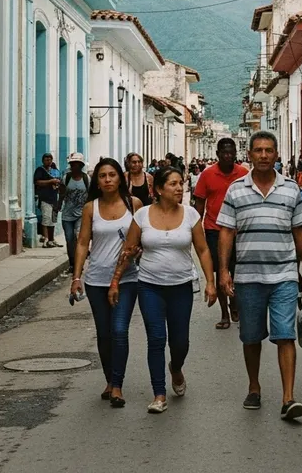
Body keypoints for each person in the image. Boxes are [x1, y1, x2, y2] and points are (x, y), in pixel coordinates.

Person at [218, 130, 302, 421]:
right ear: (249, 155)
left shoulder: (291, 189)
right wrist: (224, 271)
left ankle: (288, 398)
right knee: (251, 337)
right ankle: (254, 386)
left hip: (284, 274)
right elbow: (226, 232)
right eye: (258, 150)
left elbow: (300, 232)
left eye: (268, 150)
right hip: (247, 277)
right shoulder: (236, 189)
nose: (263, 155)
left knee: (285, 336)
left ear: (276, 154)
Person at [110, 165, 217, 414]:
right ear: (158, 189)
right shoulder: (142, 216)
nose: (179, 188)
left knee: (180, 342)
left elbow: (202, 249)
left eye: (181, 183)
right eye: (173, 183)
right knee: (156, 339)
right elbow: (127, 251)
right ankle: (159, 393)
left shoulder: (191, 215)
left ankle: (176, 368)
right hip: (149, 286)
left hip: (181, 287)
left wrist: (210, 282)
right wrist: (115, 281)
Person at [71, 158, 142, 407]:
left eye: (112, 175)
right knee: (104, 333)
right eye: (103, 176)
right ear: (97, 182)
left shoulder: (134, 205)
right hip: (96, 279)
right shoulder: (91, 208)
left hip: (128, 279)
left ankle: (118, 386)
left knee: (119, 330)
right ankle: (109, 380)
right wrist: (77, 276)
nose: (108, 179)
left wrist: (139, 251)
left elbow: (142, 240)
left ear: (120, 178)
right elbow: (82, 243)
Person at [193, 138, 248, 329]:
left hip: (239, 231)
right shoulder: (207, 175)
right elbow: (199, 204)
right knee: (220, 271)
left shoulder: (243, 174)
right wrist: (194, 229)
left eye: (231, 152)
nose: (228, 156)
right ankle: (224, 313)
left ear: (235, 153)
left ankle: (236, 304)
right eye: (224, 152)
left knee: (238, 272)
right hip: (214, 230)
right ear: (217, 154)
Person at [62, 153, 89, 270]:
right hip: (67, 214)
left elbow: (90, 196)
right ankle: (72, 263)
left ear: (81, 165)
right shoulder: (66, 178)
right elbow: (62, 193)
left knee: (79, 238)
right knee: (69, 239)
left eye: (77, 164)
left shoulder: (87, 179)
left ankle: (79, 263)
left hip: (81, 214)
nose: (74, 167)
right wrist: (57, 206)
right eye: (73, 164)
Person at [34, 153, 64, 247]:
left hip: (54, 198)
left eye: (50, 159)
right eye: (46, 160)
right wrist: (50, 181)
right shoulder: (40, 170)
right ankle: (45, 239)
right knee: (46, 219)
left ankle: (52, 239)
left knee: (53, 220)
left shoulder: (55, 171)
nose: (48, 161)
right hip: (44, 198)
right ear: (43, 161)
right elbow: (37, 182)